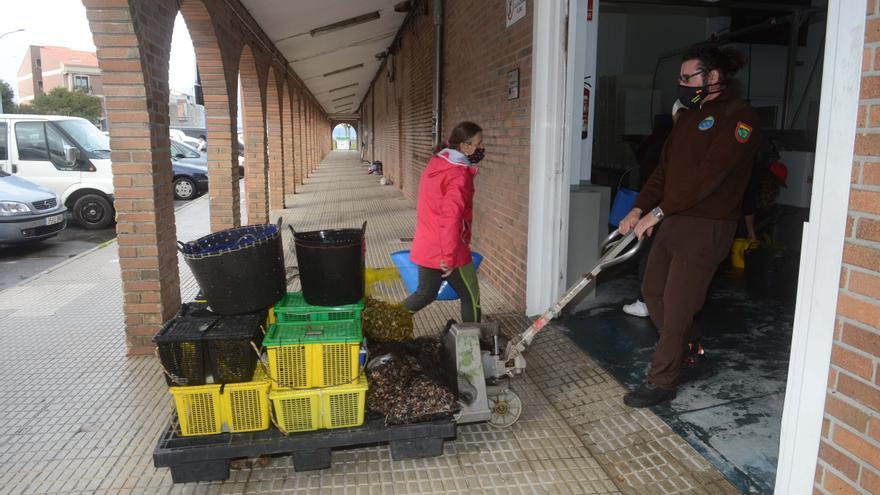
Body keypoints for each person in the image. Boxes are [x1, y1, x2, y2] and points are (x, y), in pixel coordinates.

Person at [617, 44, 761, 407]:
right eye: (679, 78)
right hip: (673, 219)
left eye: (687, 77)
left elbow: (707, 178)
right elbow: (663, 173)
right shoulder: (688, 117)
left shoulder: (738, 117)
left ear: (712, 76)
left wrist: (658, 213)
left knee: (679, 305)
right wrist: (638, 209)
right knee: (653, 293)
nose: (681, 83)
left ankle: (662, 381)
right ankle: (692, 352)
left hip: (707, 225)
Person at [403, 122, 484, 322]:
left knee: (425, 294)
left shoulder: (437, 163)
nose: (481, 148)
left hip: (427, 242)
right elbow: (451, 218)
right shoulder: (458, 175)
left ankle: (384, 322)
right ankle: (472, 344)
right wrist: (448, 258)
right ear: (465, 147)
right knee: (470, 295)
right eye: (478, 144)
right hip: (449, 247)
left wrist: (469, 171)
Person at [623, 101, 686, 318]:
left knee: (651, 255)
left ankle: (646, 301)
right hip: (663, 206)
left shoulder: (671, 140)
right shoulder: (675, 141)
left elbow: (655, 174)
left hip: (665, 208)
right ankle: (654, 301)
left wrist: (651, 211)